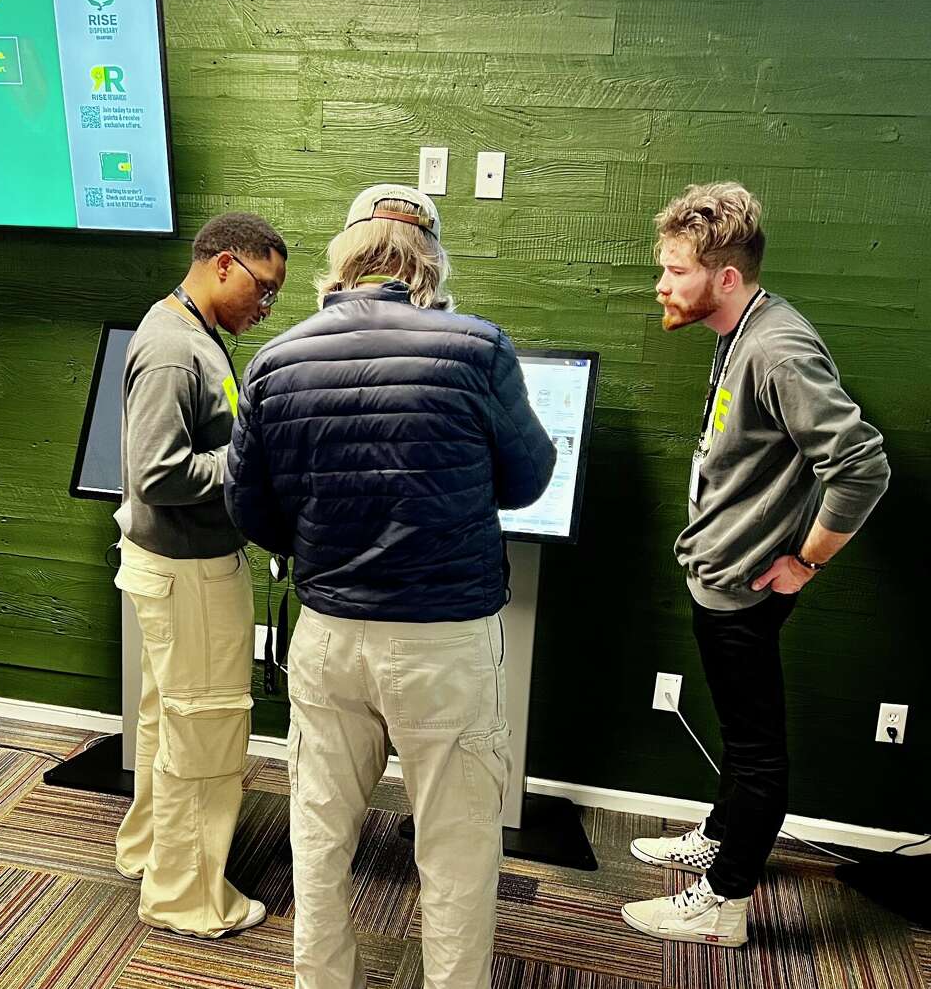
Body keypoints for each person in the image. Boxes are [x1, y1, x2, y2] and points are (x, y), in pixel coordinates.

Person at [224, 184, 557, 989]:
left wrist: (322, 543)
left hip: (329, 633)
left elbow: (250, 506)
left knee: (319, 836)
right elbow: (531, 477)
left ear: (343, 260)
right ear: (432, 267)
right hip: (446, 640)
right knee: (457, 846)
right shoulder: (477, 348)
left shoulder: (277, 358)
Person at [621, 183, 890, 947]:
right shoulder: (738, 332)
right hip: (723, 574)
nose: (661, 284)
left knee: (757, 747)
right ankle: (722, 834)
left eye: (674, 270)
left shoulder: (778, 344)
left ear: (727, 276)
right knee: (741, 738)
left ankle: (726, 901)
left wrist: (806, 562)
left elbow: (862, 465)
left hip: (748, 585)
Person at [112, 212, 288, 938]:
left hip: (186, 564)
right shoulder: (171, 349)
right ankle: (185, 896)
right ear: (222, 264)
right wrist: (251, 463)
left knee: (170, 721)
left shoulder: (196, 335)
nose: (266, 306)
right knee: (205, 731)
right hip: (186, 570)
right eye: (263, 288)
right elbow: (156, 472)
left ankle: (152, 852)